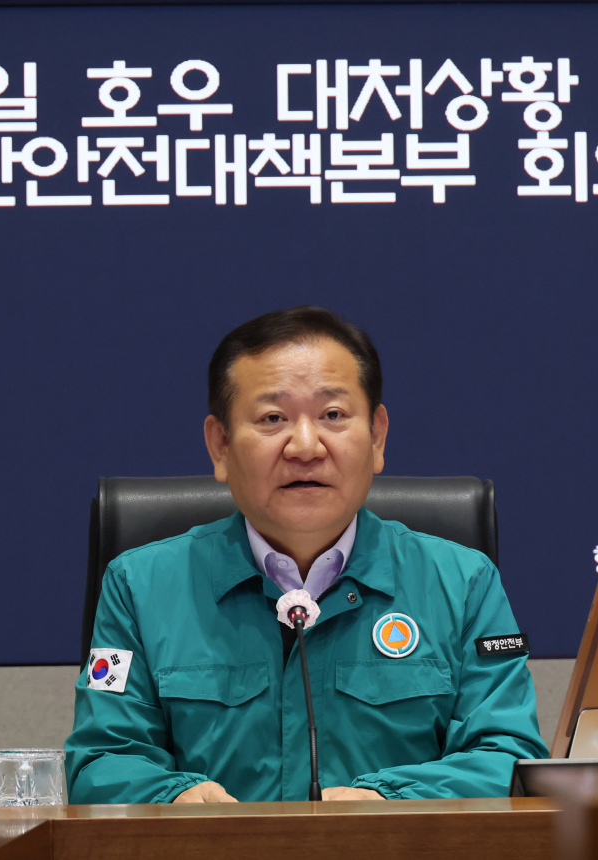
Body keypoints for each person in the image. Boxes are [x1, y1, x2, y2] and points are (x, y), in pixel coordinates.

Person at [65, 306, 547, 804]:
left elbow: (507, 757)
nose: (305, 445)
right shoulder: (140, 586)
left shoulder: (464, 583)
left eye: (332, 415)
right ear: (221, 446)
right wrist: (174, 800)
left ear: (378, 437)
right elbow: (102, 763)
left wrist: (390, 802)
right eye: (273, 418)